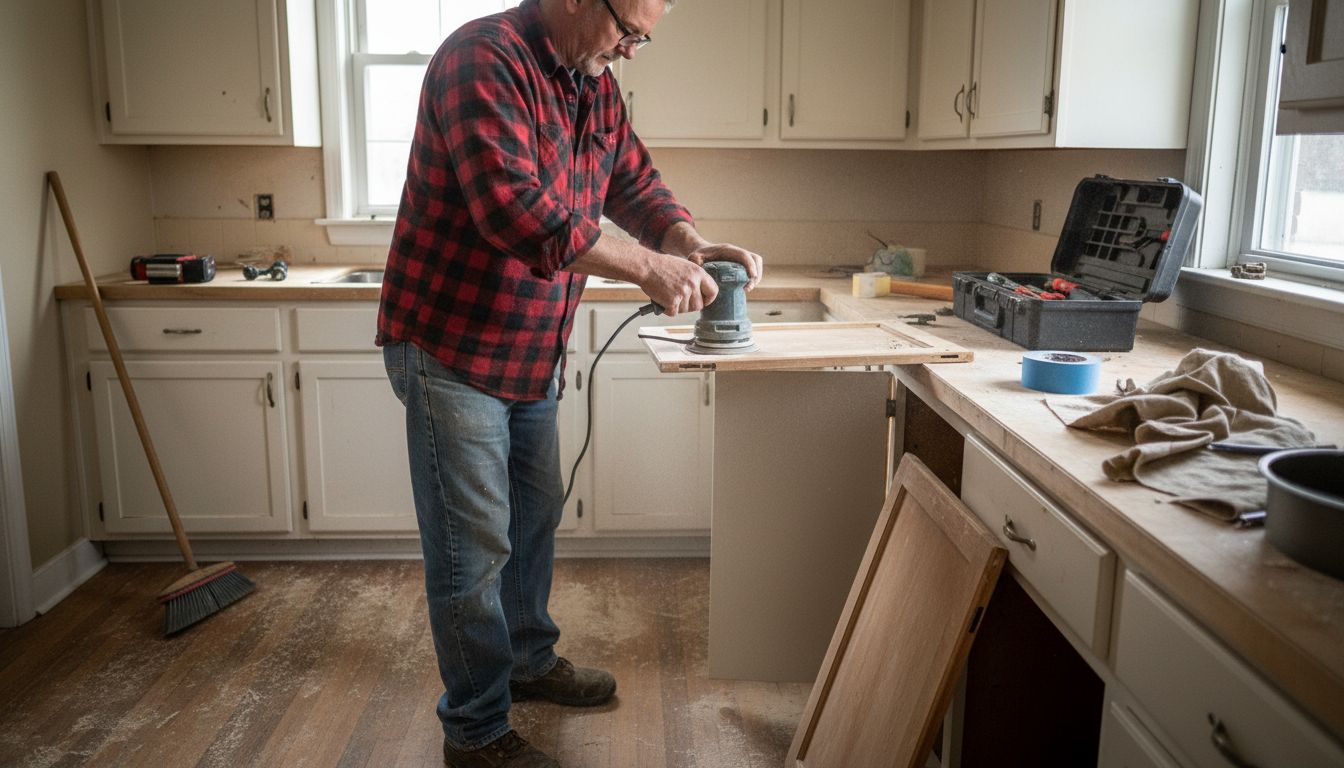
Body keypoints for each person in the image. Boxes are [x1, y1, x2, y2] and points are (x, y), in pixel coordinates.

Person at [376, 0, 763, 765]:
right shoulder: (480, 61)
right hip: (451, 346)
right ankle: (476, 728)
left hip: (528, 350)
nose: (633, 49)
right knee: (473, 544)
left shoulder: (593, 79)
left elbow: (633, 182)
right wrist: (649, 266)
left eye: (643, 38)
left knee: (533, 518)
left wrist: (686, 239)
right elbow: (516, 212)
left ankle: (525, 659)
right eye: (630, 30)